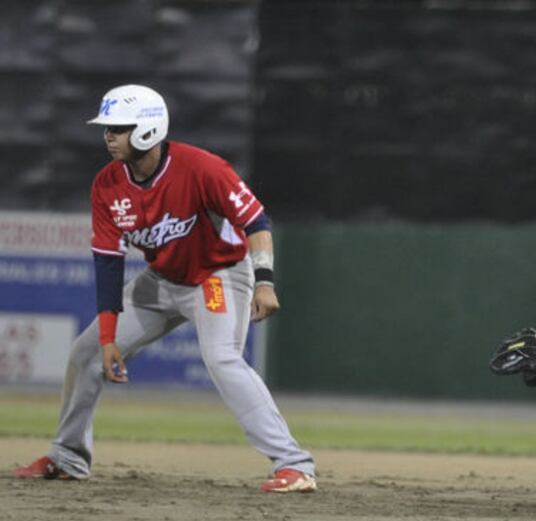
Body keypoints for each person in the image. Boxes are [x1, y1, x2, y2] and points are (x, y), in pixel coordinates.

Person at [13, 84, 316, 493]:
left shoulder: (202, 168)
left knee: (222, 358)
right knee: (85, 354)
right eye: (107, 128)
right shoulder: (107, 185)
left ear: (147, 130)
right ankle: (68, 457)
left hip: (217, 276)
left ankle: (295, 465)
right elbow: (107, 263)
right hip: (160, 282)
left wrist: (264, 283)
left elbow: (257, 222)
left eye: (118, 128)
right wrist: (107, 338)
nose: (108, 136)